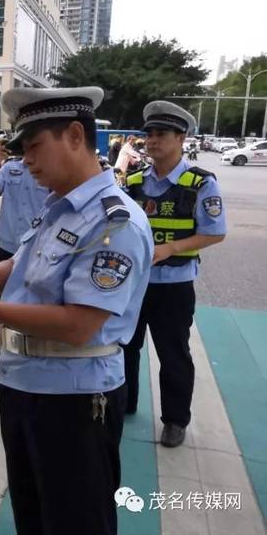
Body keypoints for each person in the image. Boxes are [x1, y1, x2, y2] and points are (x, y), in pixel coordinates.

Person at [0, 86, 152, 535]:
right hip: (24, 386)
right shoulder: (57, 209)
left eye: (35, 147)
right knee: (34, 514)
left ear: (76, 136)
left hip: (74, 402)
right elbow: (19, 277)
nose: (26, 161)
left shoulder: (114, 222)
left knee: (77, 521)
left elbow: (80, 325)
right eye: (22, 151)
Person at [122, 101, 226, 448]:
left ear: (182, 138)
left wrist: (170, 249)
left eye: (161, 134)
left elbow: (215, 232)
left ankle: (175, 420)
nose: (152, 141)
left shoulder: (199, 183)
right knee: (125, 346)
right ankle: (125, 403)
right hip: (133, 284)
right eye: (148, 134)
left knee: (173, 354)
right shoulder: (134, 181)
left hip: (174, 286)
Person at [0, 139, 48, 391]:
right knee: (1, 314)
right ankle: (4, 367)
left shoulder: (48, 172)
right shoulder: (9, 169)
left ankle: (31, 367)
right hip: (6, 248)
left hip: (36, 252)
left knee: (33, 312)